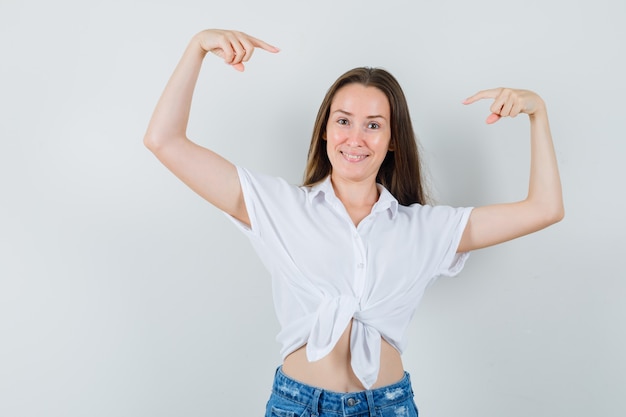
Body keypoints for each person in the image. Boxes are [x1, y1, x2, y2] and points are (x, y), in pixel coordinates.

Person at [144, 29, 564, 417]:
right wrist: (197, 46)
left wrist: (538, 113)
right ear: (325, 130)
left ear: (393, 139)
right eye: (343, 121)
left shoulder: (428, 229)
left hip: (389, 405)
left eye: (374, 125)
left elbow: (545, 208)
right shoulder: (280, 207)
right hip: (299, 405)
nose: (355, 138)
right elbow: (164, 140)